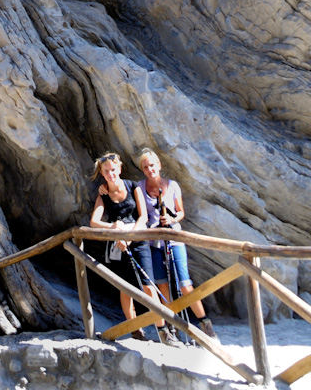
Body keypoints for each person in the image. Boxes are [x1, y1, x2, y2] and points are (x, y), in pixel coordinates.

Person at [89, 151, 179, 345]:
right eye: (106, 171)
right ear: (102, 173)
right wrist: (112, 226)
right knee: (126, 288)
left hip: (138, 240)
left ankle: (163, 331)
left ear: (119, 169)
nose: (111, 174)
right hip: (117, 245)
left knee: (148, 285)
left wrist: (130, 236)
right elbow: (94, 222)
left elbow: (143, 217)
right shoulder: (103, 194)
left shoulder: (133, 186)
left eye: (113, 170)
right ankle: (135, 329)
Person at [136, 147, 218, 340]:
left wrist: (171, 220)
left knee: (184, 283)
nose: (150, 169)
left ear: (159, 165)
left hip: (174, 239)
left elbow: (180, 212)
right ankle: (169, 327)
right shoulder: (139, 187)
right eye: (146, 167)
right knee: (162, 285)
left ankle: (205, 324)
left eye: (152, 165)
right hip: (154, 242)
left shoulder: (172, 186)